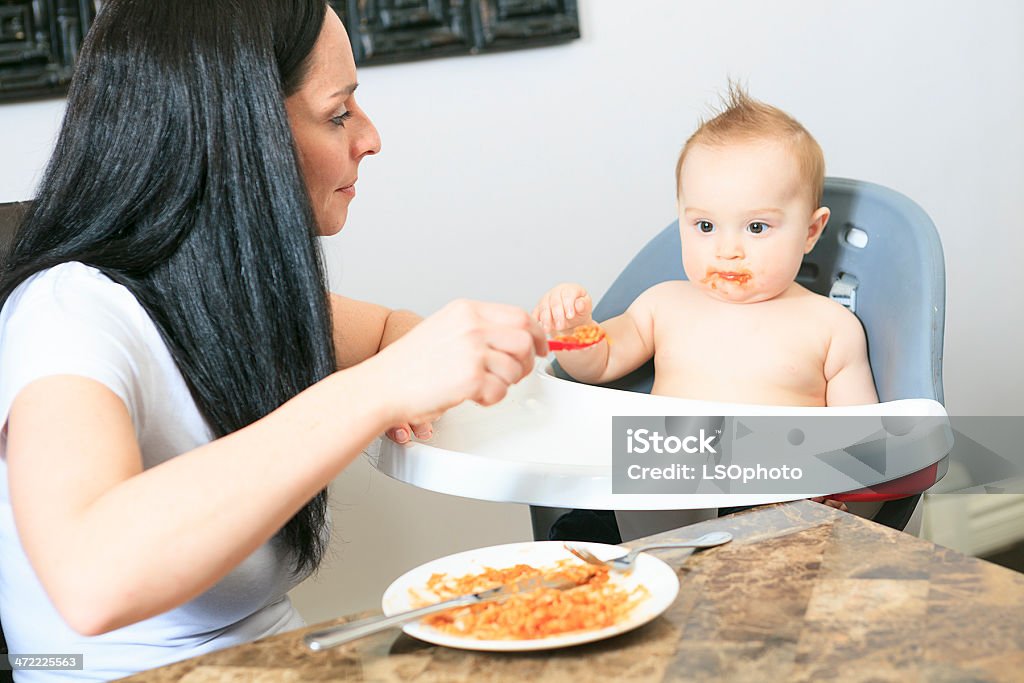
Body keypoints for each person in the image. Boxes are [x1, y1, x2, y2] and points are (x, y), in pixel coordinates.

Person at [0, 1, 544, 680]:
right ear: (238, 134)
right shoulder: (67, 312)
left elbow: (387, 332)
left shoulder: (224, 292)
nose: (370, 138)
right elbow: (89, 576)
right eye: (338, 112)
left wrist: (409, 367)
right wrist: (377, 390)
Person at [534, 87, 878, 533]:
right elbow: (595, 365)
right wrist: (573, 329)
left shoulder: (831, 327)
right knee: (575, 536)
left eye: (757, 227)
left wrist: (845, 507)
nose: (727, 250)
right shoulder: (664, 305)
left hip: (773, 511)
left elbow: (867, 444)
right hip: (655, 499)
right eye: (705, 225)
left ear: (811, 231)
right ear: (681, 219)